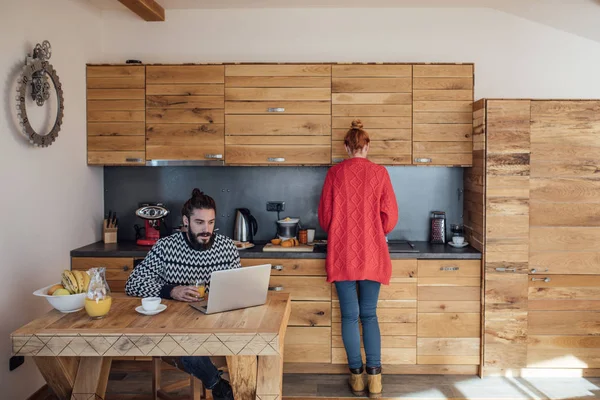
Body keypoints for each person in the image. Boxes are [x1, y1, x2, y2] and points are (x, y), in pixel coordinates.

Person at [126, 188, 241, 400]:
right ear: (186, 221)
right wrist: (171, 290)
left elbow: (236, 286)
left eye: (211, 222)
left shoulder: (227, 247)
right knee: (188, 346)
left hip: (215, 322)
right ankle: (218, 385)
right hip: (174, 326)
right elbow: (133, 283)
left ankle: (241, 387)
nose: (207, 229)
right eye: (199, 222)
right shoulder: (166, 247)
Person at [318, 119, 398, 398]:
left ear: (346, 146)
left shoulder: (334, 174)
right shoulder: (380, 173)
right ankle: (375, 379)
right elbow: (390, 217)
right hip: (373, 253)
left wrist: (342, 230)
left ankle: (356, 378)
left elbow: (325, 218)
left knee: (350, 316)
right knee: (369, 315)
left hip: (341, 254)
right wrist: (376, 230)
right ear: (367, 146)